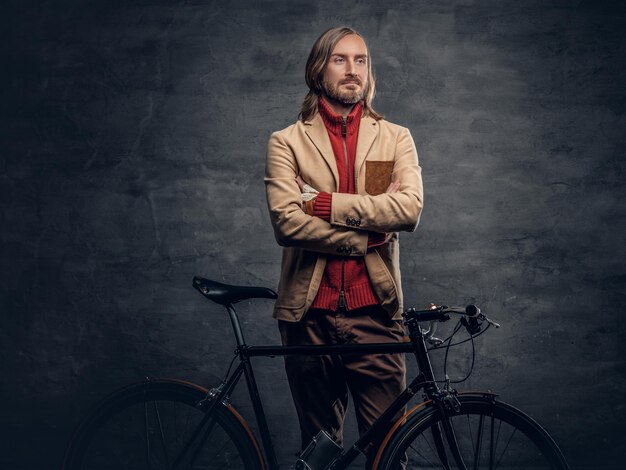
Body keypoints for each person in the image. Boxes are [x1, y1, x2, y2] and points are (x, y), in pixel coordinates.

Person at [264, 26, 423, 467]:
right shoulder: (286, 142)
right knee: (318, 455)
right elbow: (287, 223)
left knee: (390, 454)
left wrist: (323, 203)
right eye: (340, 59)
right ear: (318, 70)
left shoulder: (396, 137)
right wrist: (368, 230)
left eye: (361, 60)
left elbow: (407, 209)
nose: (353, 70)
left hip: (376, 313)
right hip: (307, 317)